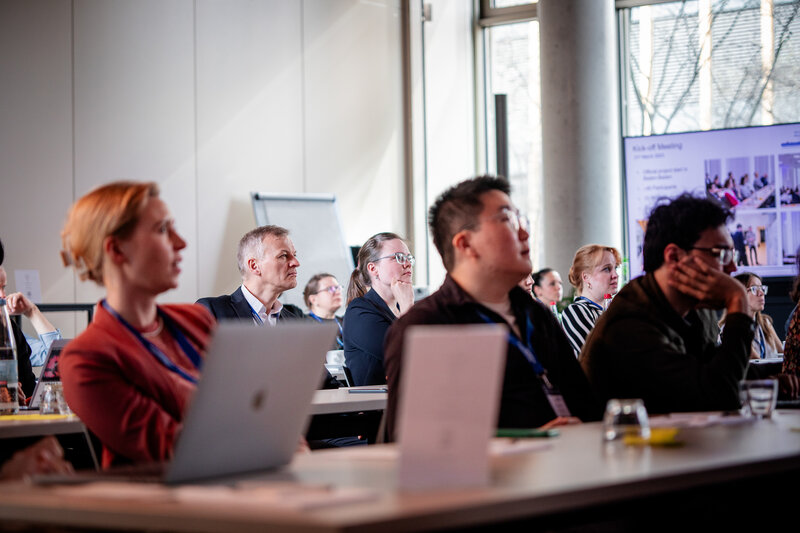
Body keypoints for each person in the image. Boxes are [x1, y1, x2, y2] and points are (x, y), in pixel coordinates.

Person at [384, 176, 600, 440]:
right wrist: (521, 444)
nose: (524, 233)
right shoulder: (429, 325)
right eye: (507, 220)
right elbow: (422, 449)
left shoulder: (535, 313)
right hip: (511, 467)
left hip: (571, 458)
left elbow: (587, 406)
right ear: (466, 244)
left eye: (521, 220)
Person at [60, 181, 216, 467]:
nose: (181, 242)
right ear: (117, 249)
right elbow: (173, 450)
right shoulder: (85, 360)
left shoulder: (197, 319)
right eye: (163, 230)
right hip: (170, 494)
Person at [580, 194, 757, 414]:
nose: (732, 268)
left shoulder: (692, 310)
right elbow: (719, 396)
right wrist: (739, 300)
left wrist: (775, 379)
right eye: (721, 254)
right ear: (673, 257)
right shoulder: (629, 324)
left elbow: (716, 369)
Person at [343, 232, 414, 386]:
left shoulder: (399, 308)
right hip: (376, 401)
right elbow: (407, 355)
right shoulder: (359, 312)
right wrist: (408, 308)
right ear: (373, 268)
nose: (408, 263)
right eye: (398, 257)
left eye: (409, 258)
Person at [197, 225, 304, 323]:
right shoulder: (211, 311)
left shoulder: (294, 321)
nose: (296, 263)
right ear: (254, 266)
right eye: (283, 256)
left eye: (294, 255)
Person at [561, 245, 621, 357]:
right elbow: (598, 358)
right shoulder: (576, 311)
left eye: (616, 268)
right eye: (606, 269)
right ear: (586, 277)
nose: (615, 275)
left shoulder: (614, 311)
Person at [0, 266, 62, 367]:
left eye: (3, 287)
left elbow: (55, 356)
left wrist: (32, 311)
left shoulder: (9, 333)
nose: (2, 295)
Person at [0, 239, 36, 400]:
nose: (2, 295)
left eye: (3, 287)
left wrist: (21, 398)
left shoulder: (10, 330)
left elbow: (30, 391)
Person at [720, 273, 781, 359]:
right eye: (754, 289)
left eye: (761, 288)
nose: (761, 293)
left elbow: (784, 354)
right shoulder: (732, 330)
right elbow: (757, 363)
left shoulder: (765, 323)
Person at [303, 273, 344, 350]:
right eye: (330, 289)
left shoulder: (346, 322)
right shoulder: (303, 326)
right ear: (313, 299)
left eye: (338, 288)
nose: (338, 292)